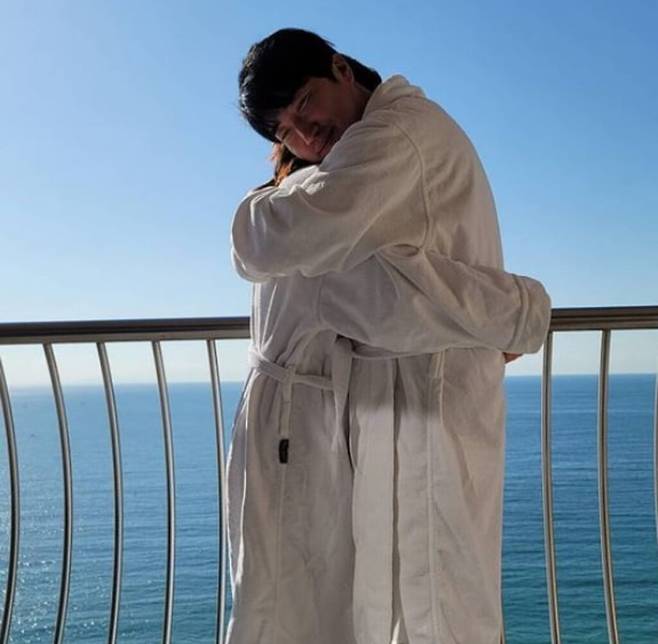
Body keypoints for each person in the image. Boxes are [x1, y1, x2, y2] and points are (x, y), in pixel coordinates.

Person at [228, 28, 551, 644]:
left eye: (305, 104)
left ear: (341, 69)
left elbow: (358, 280)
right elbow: (386, 288)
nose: (304, 135)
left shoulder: (392, 138)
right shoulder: (364, 153)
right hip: (397, 400)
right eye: (284, 131)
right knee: (428, 603)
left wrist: (518, 314)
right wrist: (512, 316)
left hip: (423, 397)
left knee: (431, 606)